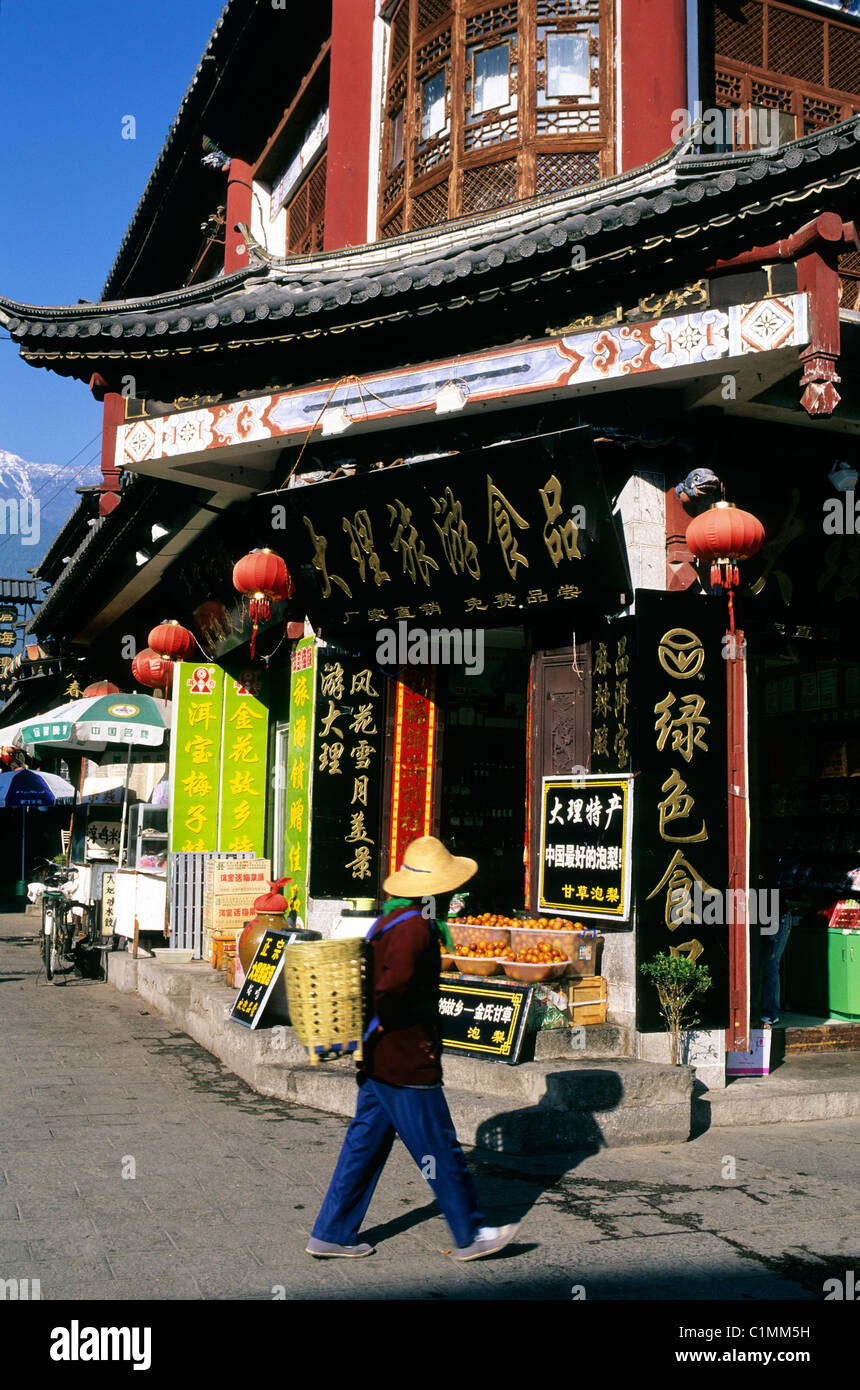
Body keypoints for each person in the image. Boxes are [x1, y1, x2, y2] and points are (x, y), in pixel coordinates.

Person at [306, 835, 519, 1262]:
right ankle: (472, 1232)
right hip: (405, 1060)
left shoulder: (388, 922)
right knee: (438, 1148)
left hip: (378, 1057)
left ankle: (331, 1231)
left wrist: (372, 1029)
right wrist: (387, 1021)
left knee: (364, 1146)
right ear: (437, 889)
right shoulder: (416, 930)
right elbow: (395, 986)